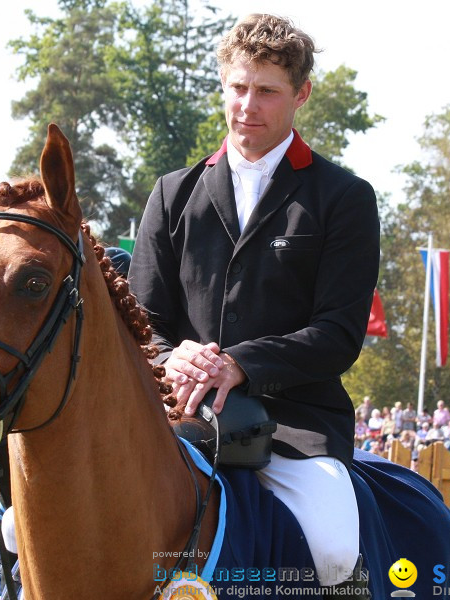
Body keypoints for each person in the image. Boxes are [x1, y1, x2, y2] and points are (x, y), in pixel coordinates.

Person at [128, 13, 379, 588]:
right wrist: (173, 358)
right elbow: (142, 324)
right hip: (176, 413)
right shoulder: (172, 194)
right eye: (238, 88)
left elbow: (338, 334)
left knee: (336, 549)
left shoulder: (345, 197)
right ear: (224, 87)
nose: (248, 105)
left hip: (296, 423)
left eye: (267, 91)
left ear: (302, 94)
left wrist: (241, 364)